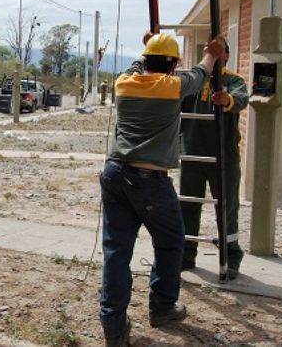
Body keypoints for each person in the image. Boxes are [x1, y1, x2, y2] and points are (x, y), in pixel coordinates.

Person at [99, 32, 226, 346]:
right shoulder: (172, 86)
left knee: (116, 251)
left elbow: (136, 65)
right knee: (170, 243)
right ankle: (162, 307)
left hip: (115, 174)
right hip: (150, 182)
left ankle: (113, 327)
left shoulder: (123, 83)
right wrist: (213, 52)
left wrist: (148, 47)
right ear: (171, 66)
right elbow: (200, 73)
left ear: (145, 60)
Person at [179, 40, 247, 278]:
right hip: (191, 152)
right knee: (188, 205)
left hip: (222, 156)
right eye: (210, 51)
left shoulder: (233, 80)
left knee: (226, 208)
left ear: (227, 55)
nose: (215, 55)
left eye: (219, 51)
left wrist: (226, 100)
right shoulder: (194, 81)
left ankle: (231, 258)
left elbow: (241, 98)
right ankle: (186, 255)